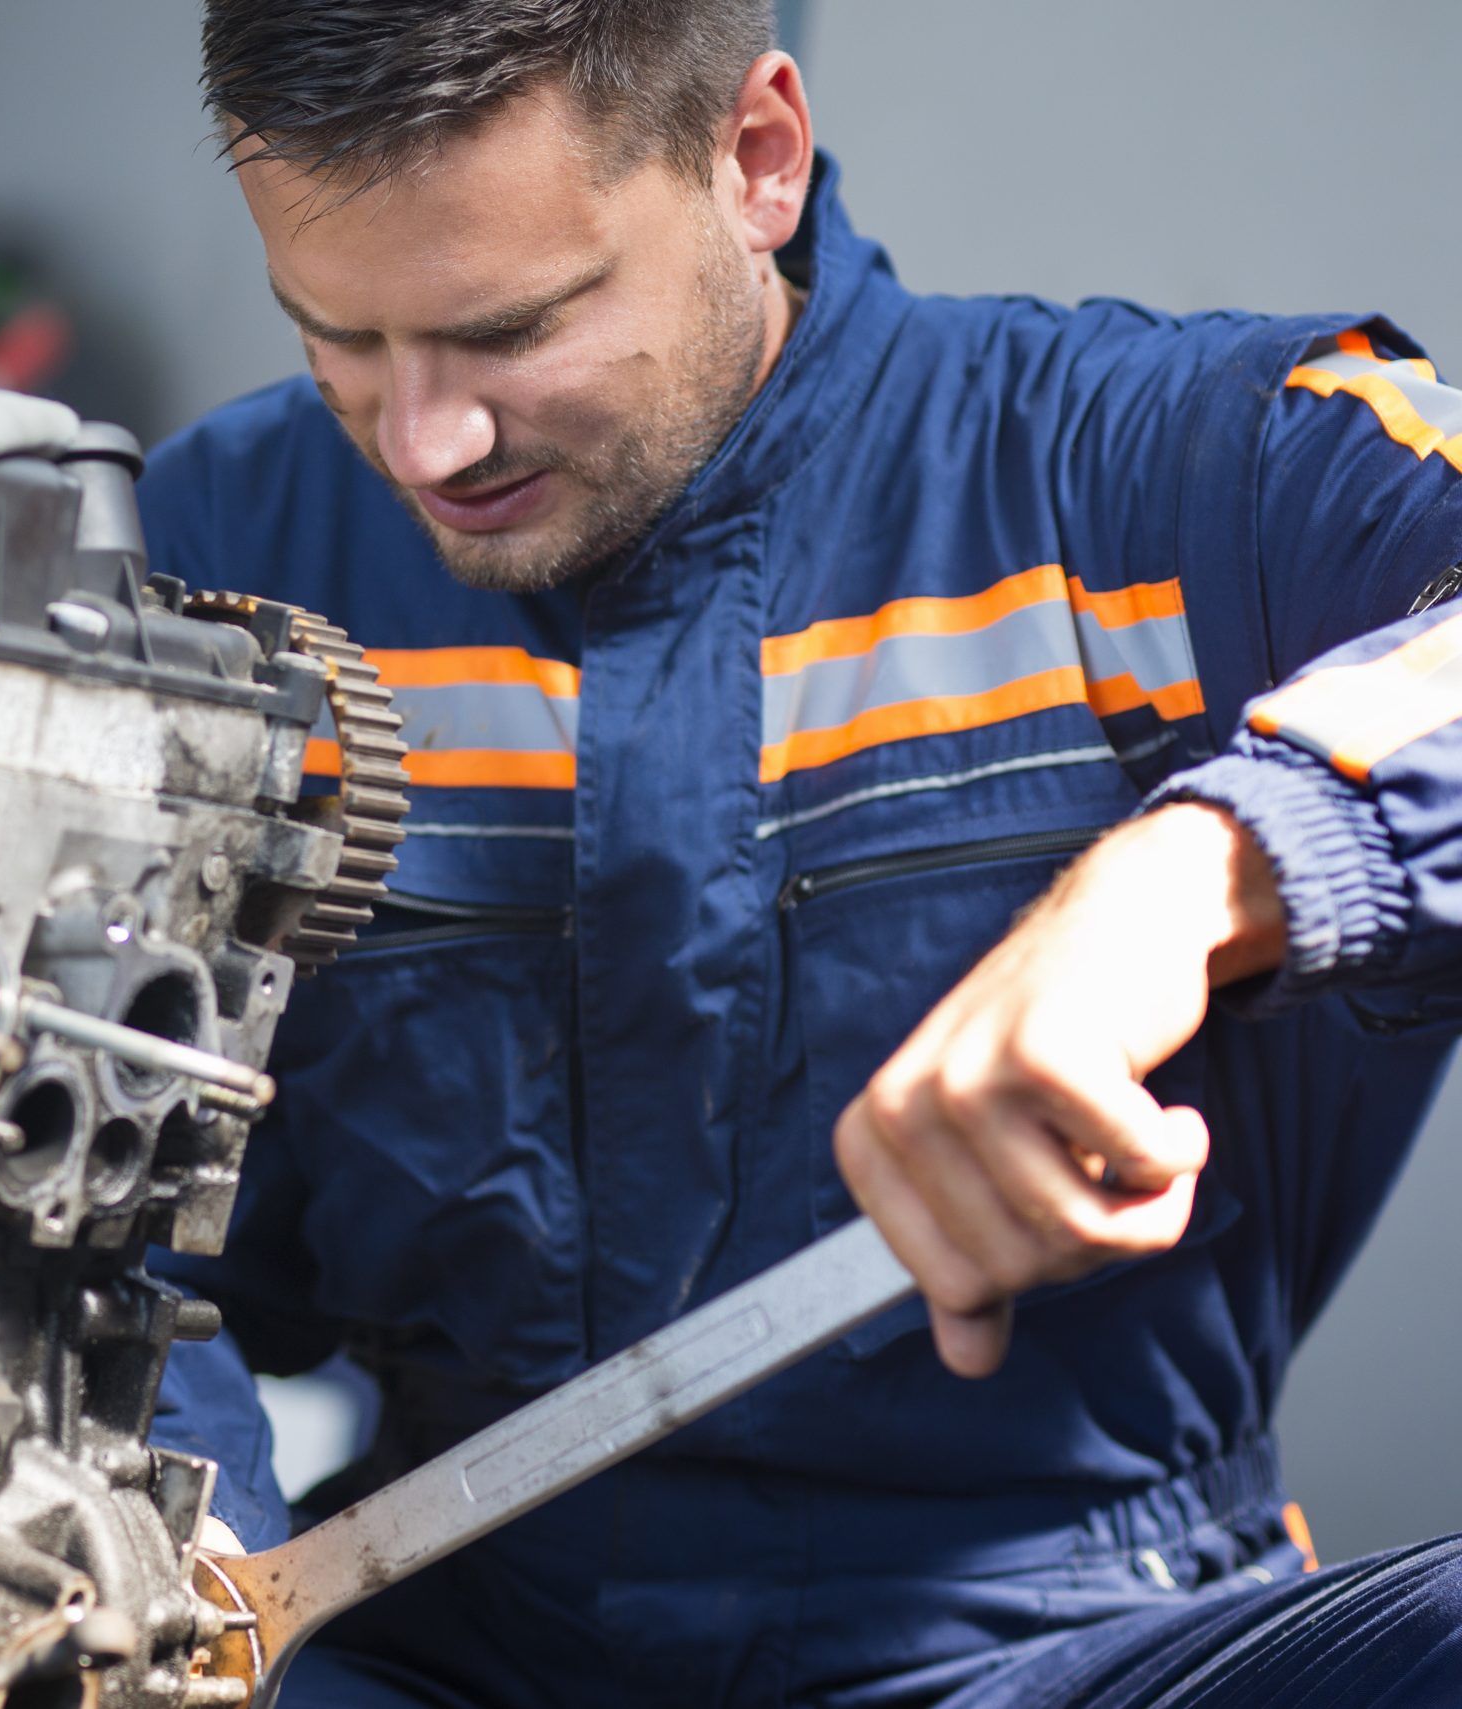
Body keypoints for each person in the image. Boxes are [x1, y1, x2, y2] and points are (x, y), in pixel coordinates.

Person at [138, 5, 1462, 1705]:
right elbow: (85, 1227)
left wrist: (1195, 874)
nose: (421, 443)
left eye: (508, 328)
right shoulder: (216, 564)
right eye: (336, 335)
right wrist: (179, 1550)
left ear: (755, 157)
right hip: (428, 1647)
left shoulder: (1156, 477)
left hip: (1070, 1649)